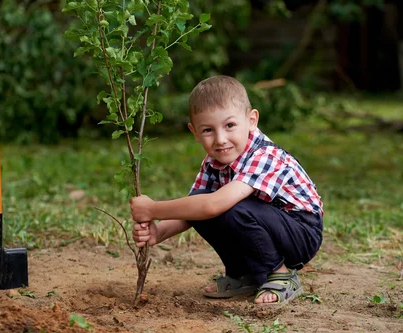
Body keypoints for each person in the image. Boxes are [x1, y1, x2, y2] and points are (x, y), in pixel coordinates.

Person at [130, 75, 323, 305]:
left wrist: (153, 209)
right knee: (200, 203)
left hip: (300, 231)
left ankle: (281, 274)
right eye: (208, 130)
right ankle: (244, 275)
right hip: (264, 223)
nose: (221, 140)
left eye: (230, 125)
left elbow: (214, 205)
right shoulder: (214, 161)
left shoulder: (264, 156)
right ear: (194, 132)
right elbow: (197, 208)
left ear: (251, 120)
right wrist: (158, 233)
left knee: (228, 206)